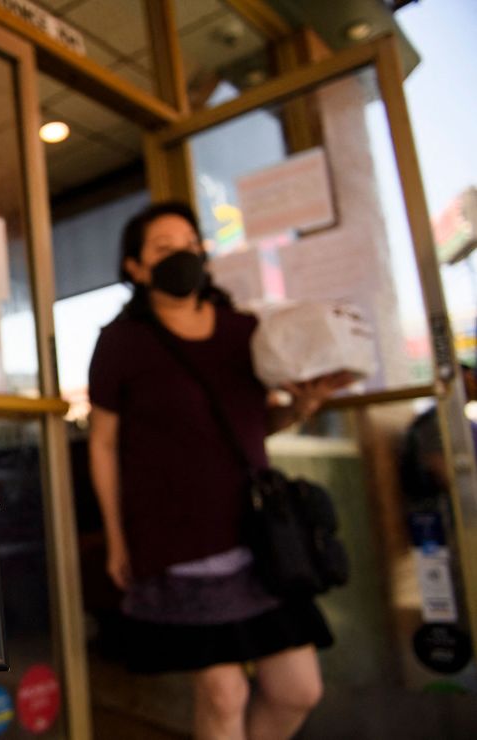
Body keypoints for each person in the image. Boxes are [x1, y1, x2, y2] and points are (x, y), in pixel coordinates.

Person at [87, 201, 350, 740]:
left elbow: (259, 426)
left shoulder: (245, 330)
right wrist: (116, 539)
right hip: (176, 542)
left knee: (299, 690)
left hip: (260, 536)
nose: (181, 255)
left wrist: (299, 408)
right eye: (163, 248)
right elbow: (104, 445)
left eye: (189, 243)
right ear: (135, 267)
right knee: (222, 694)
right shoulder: (120, 342)